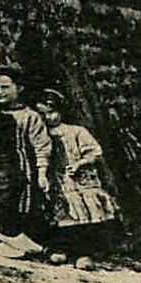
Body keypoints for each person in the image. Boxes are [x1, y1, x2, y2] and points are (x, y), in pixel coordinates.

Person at [34, 89, 120, 269]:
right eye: (43, 114)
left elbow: (94, 152)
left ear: (61, 111)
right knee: (62, 215)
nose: (48, 118)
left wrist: (81, 163)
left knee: (83, 215)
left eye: (51, 112)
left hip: (79, 181)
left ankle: (83, 253)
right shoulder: (41, 134)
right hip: (57, 181)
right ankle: (61, 249)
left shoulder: (76, 131)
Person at [0, 65, 53, 257]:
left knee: (13, 201)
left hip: (18, 168)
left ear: (19, 88)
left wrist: (42, 172)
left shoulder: (29, 116)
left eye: (5, 87)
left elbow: (41, 145)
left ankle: (12, 235)